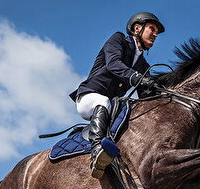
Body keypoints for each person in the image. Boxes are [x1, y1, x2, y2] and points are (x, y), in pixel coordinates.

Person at [69, 12, 165, 178]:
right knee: (103, 101)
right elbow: (113, 64)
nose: (155, 34)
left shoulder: (143, 65)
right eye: (152, 29)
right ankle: (97, 149)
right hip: (89, 97)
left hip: (112, 106)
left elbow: (146, 96)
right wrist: (138, 78)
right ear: (137, 28)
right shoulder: (118, 39)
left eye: (157, 32)